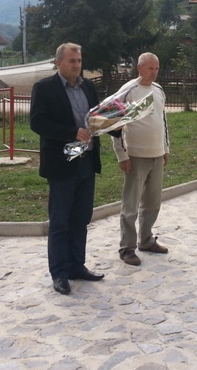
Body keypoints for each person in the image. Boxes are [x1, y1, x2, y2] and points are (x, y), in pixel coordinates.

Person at [30, 42, 105, 295]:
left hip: (86, 158)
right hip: (62, 160)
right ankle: (59, 273)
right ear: (58, 62)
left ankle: (76, 266)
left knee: (81, 218)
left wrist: (114, 124)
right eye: (72, 61)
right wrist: (72, 132)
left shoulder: (88, 87)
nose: (77, 65)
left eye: (79, 61)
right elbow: (38, 122)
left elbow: (97, 119)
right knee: (60, 220)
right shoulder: (44, 88)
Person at [112, 52, 170, 266]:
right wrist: (121, 154)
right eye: (150, 68)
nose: (154, 72)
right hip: (135, 155)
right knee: (131, 205)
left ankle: (146, 240)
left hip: (156, 154)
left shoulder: (158, 90)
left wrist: (165, 148)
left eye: (156, 68)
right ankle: (127, 248)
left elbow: (162, 120)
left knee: (153, 202)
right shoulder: (128, 91)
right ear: (139, 68)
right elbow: (115, 124)